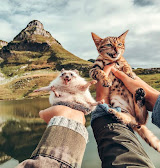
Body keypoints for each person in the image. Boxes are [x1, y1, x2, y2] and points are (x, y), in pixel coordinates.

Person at [16, 64, 160, 168]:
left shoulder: (75, 82)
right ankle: (153, 101)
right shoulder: (58, 83)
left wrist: (66, 119)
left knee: (120, 143)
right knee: (128, 152)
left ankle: (108, 111)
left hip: (77, 110)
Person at [91, 64, 160, 168]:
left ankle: (109, 112)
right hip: (129, 109)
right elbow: (93, 73)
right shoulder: (102, 62)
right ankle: (152, 101)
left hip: (123, 108)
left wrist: (102, 100)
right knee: (136, 120)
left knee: (124, 124)